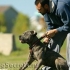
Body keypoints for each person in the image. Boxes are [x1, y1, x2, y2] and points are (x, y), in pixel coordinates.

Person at [34, 0, 70, 70]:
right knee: (52, 39)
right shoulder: (45, 12)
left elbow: (68, 26)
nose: (38, 12)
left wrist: (55, 30)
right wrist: (48, 36)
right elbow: (50, 25)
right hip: (64, 26)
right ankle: (50, 66)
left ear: (46, 6)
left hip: (68, 25)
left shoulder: (61, 7)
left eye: (40, 9)